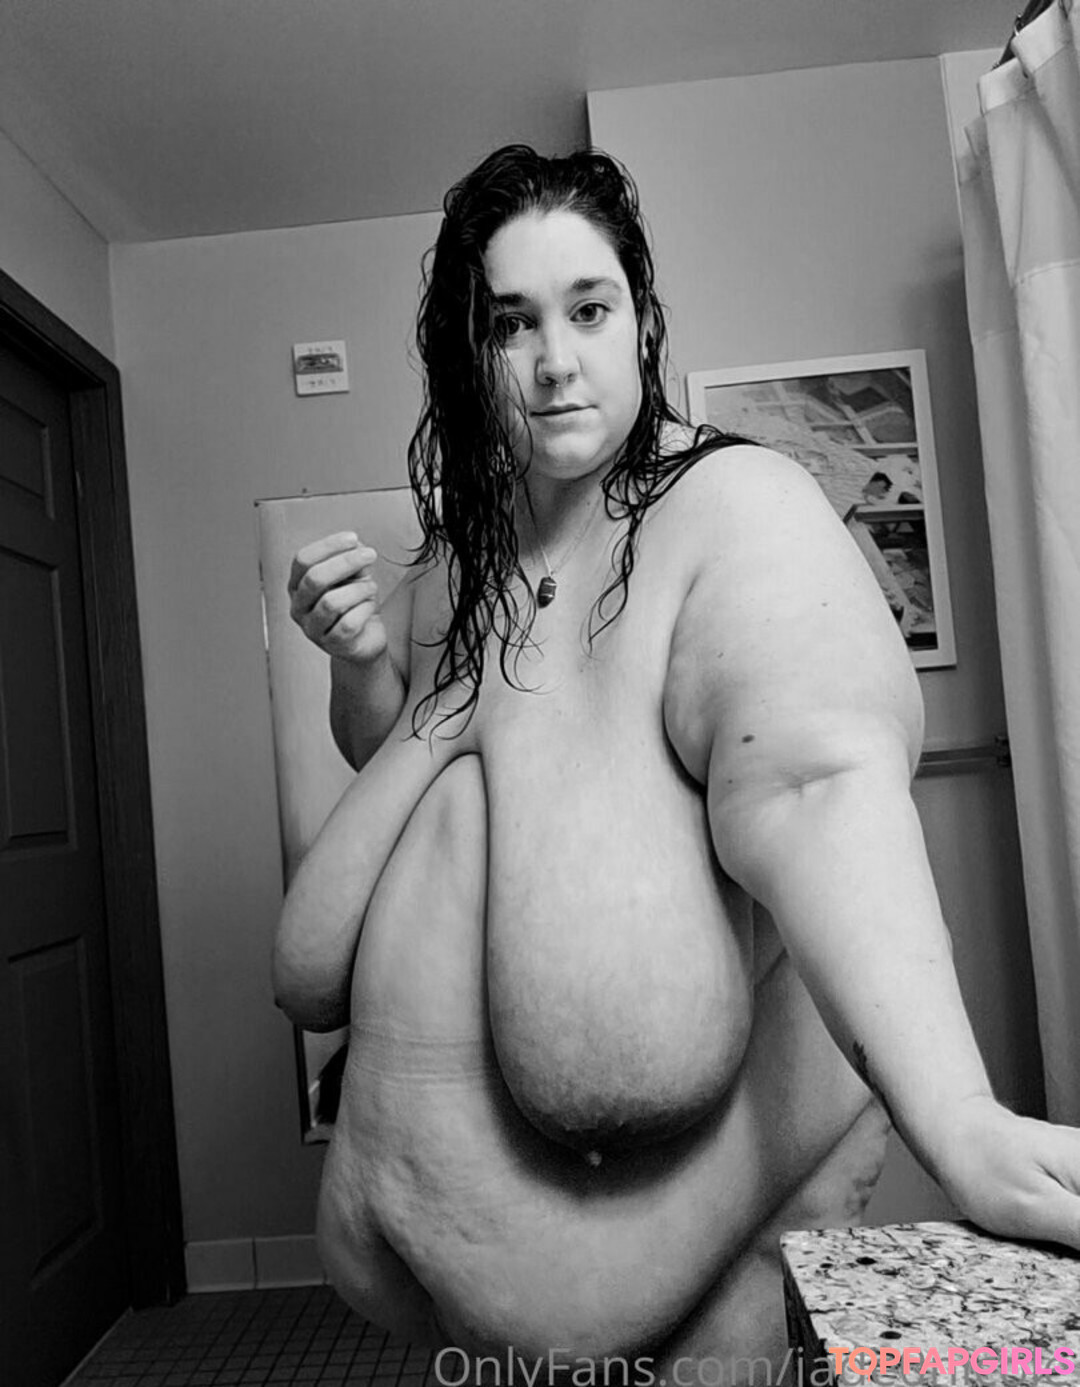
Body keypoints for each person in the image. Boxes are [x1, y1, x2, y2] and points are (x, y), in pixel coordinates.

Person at [275, 145, 1080, 1378]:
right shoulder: (471, 551)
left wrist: (962, 1120)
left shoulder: (735, 509)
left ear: (643, 321)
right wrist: (358, 660)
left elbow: (814, 782)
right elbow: (396, 764)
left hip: (676, 1261)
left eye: (588, 310)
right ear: (472, 352)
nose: (554, 360)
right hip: (455, 1297)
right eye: (511, 323)